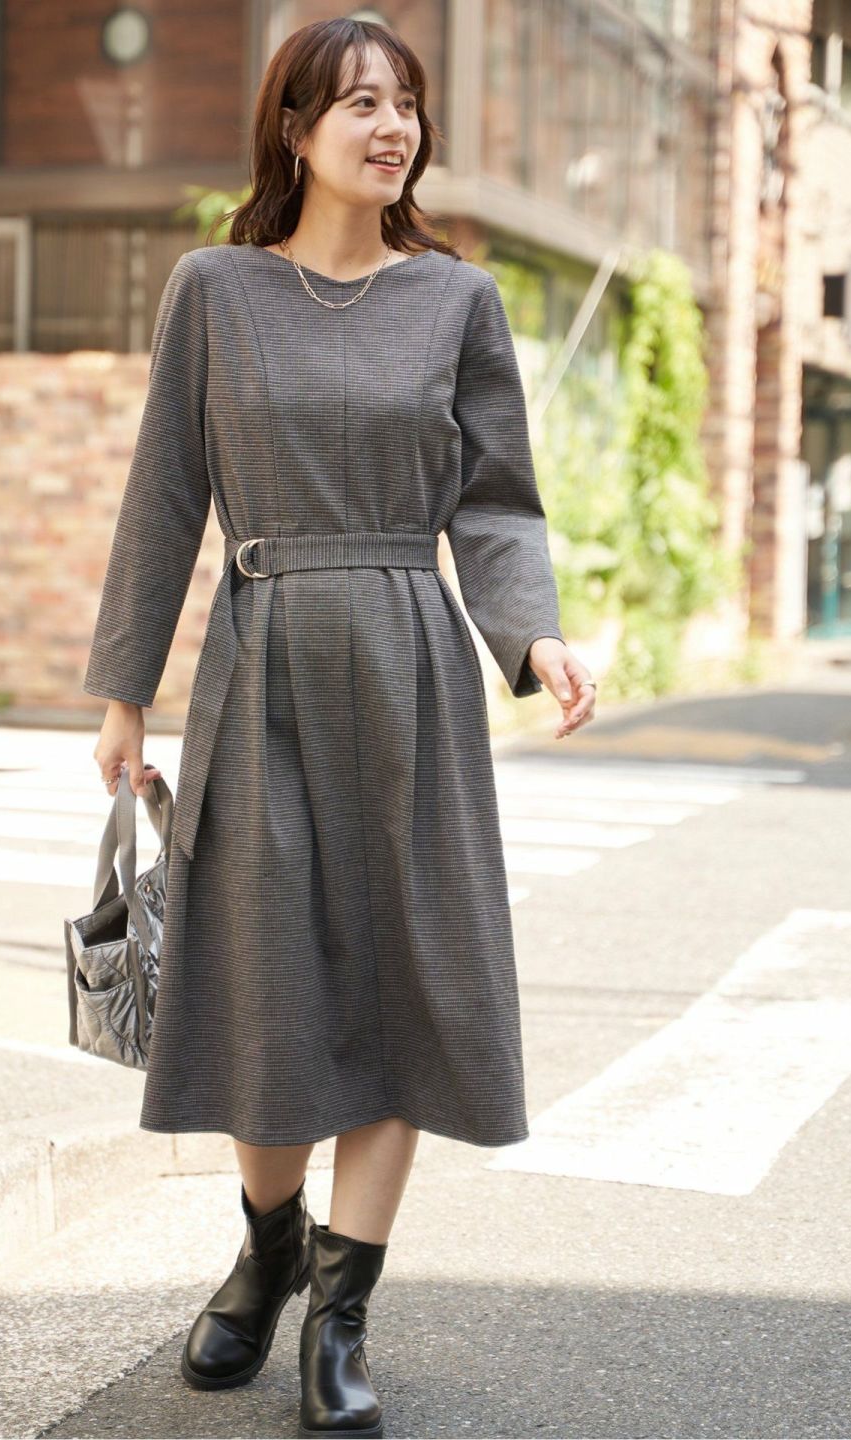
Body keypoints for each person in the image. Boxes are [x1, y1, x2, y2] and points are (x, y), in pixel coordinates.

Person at [84, 17, 596, 1438]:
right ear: (297, 128)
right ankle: (268, 1246)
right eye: (361, 103)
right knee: (265, 978)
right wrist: (124, 689)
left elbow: (496, 503)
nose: (393, 127)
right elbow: (164, 491)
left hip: (414, 668)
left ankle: (342, 1314)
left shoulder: (458, 301)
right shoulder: (215, 290)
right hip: (259, 661)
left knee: (401, 981)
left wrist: (534, 635)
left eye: (406, 104)